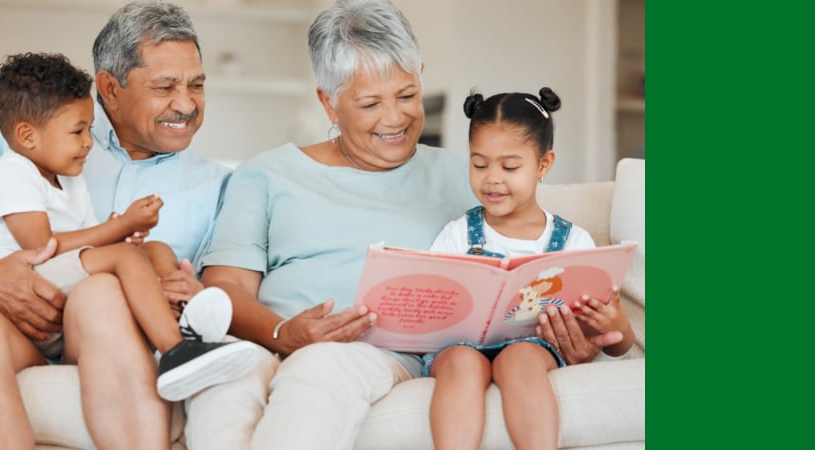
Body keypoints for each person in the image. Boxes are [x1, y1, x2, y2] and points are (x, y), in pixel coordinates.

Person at [197, 1, 622, 448]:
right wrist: (282, 333)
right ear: (328, 102)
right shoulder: (265, 174)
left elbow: (526, 270)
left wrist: (570, 335)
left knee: (319, 368)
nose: (395, 118)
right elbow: (225, 286)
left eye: (406, 95)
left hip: (372, 355)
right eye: (369, 103)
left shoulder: (471, 179)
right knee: (221, 389)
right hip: (266, 339)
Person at [0, 2, 236, 448]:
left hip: (102, 331)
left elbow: (228, 295)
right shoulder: (31, 141)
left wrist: (195, 293)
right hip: (3, 331)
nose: (186, 103)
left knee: (101, 291)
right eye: (165, 86)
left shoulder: (220, 186)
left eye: (196, 85)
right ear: (109, 89)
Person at [0, 51, 260, 406]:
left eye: (89, 129)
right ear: (28, 136)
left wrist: (122, 231)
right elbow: (42, 246)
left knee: (156, 250)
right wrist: (121, 228)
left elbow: (88, 241)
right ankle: (175, 351)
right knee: (126, 259)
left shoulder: (69, 180)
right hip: (23, 288)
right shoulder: (11, 173)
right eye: (77, 131)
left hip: (52, 277)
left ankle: (179, 318)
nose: (88, 142)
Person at [421, 88, 636, 450]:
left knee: (519, 358)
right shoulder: (456, 234)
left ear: (543, 164)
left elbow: (618, 345)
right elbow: (432, 306)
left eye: (509, 166)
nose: (492, 178)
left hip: (533, 347)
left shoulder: (573, 242)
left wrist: (613, 324)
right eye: (479, 164)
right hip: (460, 346)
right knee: (460, 361)